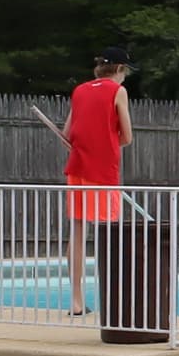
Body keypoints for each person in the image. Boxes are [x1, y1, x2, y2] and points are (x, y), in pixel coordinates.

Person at [56, 48, 132, 315]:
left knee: (77, 230)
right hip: (103, 172)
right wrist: (108, 144)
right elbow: (127, 136)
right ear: (120, 69)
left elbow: (67, 134)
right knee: (109, 231)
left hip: (77, 169)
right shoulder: (117, 91)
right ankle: (114, 302)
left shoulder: (80, 90)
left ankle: (77, 301)